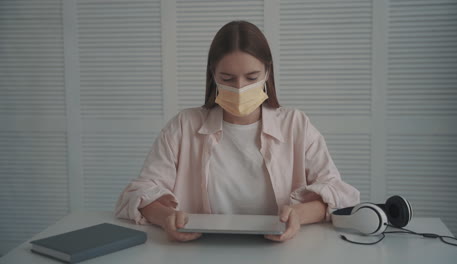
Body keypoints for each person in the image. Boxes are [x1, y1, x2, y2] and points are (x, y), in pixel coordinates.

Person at [114, 20, 360, 243]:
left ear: (267, 73)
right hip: (197, 251)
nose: (240, 88)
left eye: (251, 77)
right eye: (228, 78)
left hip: (282, 252)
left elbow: (340, 194)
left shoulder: (296, 124)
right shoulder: (183, 125)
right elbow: (138, 193)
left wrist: (299, 214)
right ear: (213, 75)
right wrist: (167, 217)